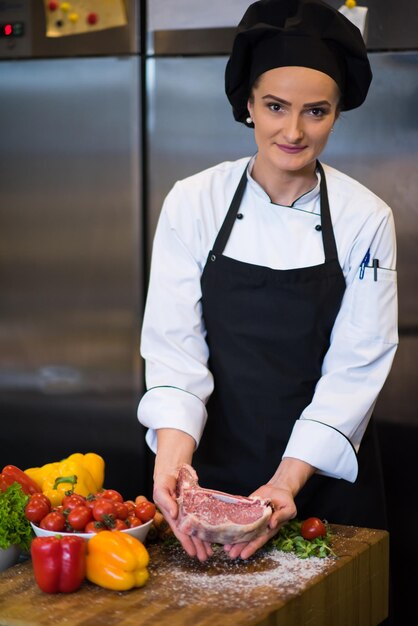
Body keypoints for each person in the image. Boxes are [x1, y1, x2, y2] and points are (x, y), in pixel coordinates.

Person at [138, 0, 398, 562]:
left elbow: (358, 364)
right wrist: (172, 463)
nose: (294, 131)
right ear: (249, 104)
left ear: (337, 112)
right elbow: (176, 352)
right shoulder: (194, 201)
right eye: (276, 106)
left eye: (317, 111)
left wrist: (287, 480)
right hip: (209, 472)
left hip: (323, 479)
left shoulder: (365, 217)